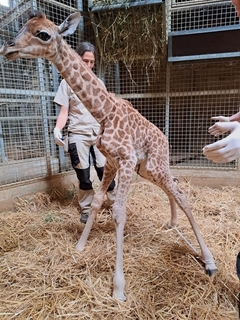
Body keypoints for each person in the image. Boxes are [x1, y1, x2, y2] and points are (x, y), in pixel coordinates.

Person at [53, 42, 115, 223]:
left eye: (91, 62)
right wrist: (58, 128)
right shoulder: (67, 83)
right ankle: (87, 208)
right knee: (83, 174)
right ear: (77, 59)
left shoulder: (98, 83)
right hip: (77, 133)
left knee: (107, 170)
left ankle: (114, 203)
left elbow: (106, 111)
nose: (88, 65)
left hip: (98, 134)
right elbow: (64, 112)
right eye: (84, 61)